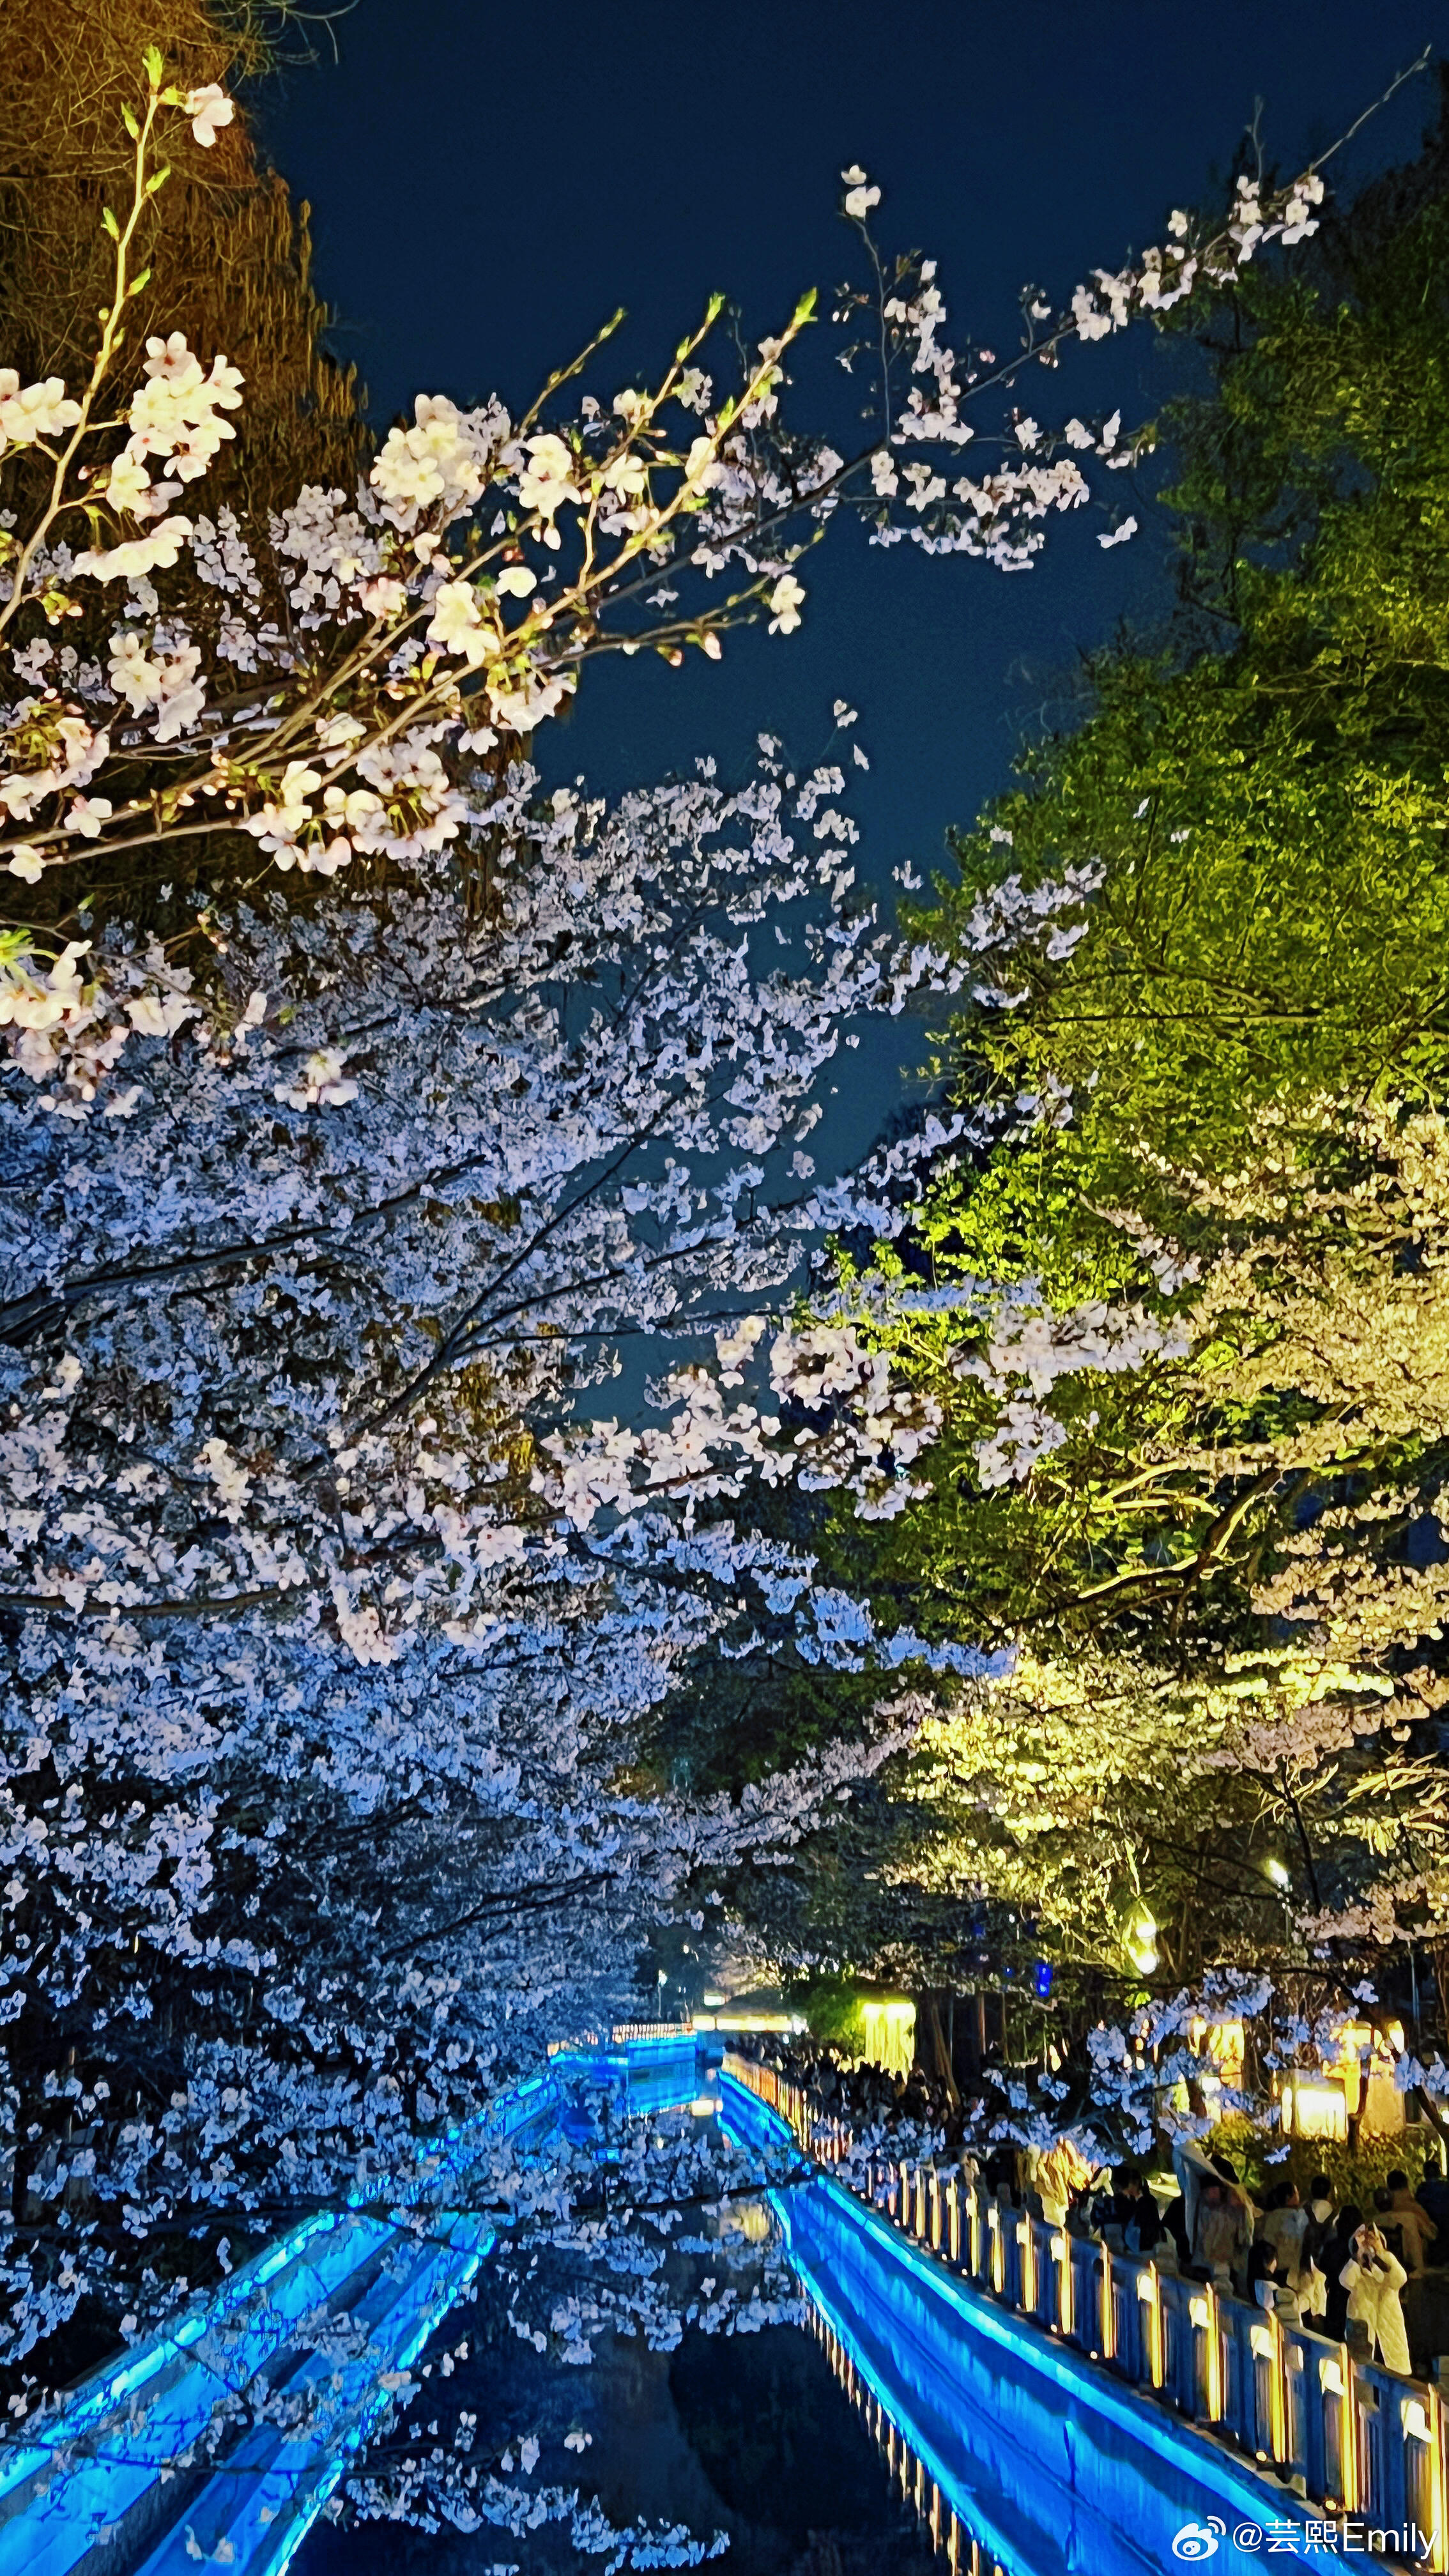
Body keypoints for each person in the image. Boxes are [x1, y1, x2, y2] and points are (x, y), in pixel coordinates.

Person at [1340, 2221, 1411, 2375]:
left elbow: (1401, 2278)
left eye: (1374, 2239)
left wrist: (1381, 2253)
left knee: (1395, 2375)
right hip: (1363, 2328)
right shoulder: (1356, 2268)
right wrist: (1359, 2255)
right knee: (1361, 2375)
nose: (1370, 2244)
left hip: (1389, 2327)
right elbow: (1346, 2281)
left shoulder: (1389, 2265)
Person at [1193, 2179, 1249, 2288]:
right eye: (1210, 2190)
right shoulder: (1206, 2211)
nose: (1212, 2192)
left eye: (1215, 2189)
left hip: (1226, 2266)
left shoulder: (1232, 2215)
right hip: (1207, 2265)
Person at [1256, 2181, 1309, 2290]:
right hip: (1293, 2274)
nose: (1299, 2195)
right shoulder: (1301, 2217)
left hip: (1276, 2274)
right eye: (1296, 2193)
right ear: (1288, 2197)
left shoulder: (1270, 2217)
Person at [1384, 2168, 1438, 2276]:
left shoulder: (1381, 2213)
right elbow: (1432, 2234)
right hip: (1414, 2265)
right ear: (1406, 2185)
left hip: (1390, 2265)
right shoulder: (1414, 2208)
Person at [1324, 2205, 1363, 2343]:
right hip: (1354, 2300)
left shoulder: (1331, 2246)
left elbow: (1324, 2270)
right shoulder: (1361, 2250)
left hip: (1336, 2298)